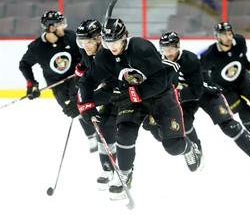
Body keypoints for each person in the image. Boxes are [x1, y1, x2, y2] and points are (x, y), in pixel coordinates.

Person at [76, 18, 200, 200]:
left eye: (116, 41)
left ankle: (189, 148)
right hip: (134, 99)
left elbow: (159, 81)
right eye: (108, 42)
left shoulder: (141, 48)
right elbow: (87, 81)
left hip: (161, 96)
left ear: (125, 36)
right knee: (125, 132)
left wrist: (133, 94)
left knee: (173, 147)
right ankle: (125, 174)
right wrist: (86, 103)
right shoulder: (103, 57)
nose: (112, 46)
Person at [144, 31, 250, 170]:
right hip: (185, 98)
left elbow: (197, 91)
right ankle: (195, 151)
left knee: (229, 126)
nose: (169, 52)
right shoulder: (160, 63)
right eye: (165, 48)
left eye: (172, 47)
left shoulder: (190, 60)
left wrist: (175, 94)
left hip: (206, 93)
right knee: (183, 124)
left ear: (178, 46)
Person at [19, 11, 98, 153]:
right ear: (51, 28)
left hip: (76, 78)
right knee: (74, 111)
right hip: (57, 87)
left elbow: (84, 55)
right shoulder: (37, 47)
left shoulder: (70, 37)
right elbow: (24, 64)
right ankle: (91, 135)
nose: (64, 27)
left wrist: (84, 68)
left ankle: (96, 134)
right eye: (60, 24)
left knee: (82, 105)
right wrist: (32, 84)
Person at [200, 22, 250, 144]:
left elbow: (243, 58)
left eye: (230, 34)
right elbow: (203, 75)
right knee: (244, 111)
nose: (229, 37)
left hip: (242, 77)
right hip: (225, 88)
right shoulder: (209, 55)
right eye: (224, 34)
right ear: (217, 37)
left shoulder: (240, 42)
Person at [71, 19, 117, 190]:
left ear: (99, 39)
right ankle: (108, 168)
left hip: (123, 93)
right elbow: (85, 69)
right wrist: (78, 92)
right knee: (104, 128)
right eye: (82, 42)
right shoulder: (87, 52)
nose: (85, 46)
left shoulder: (110, 53)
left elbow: (113, 87)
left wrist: (84, 102)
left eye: (88, 41)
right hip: (108, 94)